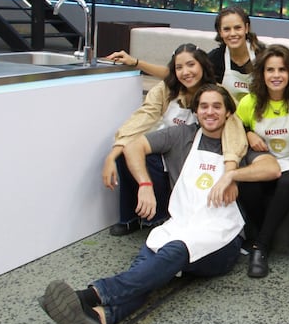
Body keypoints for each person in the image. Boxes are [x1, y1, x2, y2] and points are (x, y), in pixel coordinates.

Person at [40, 85, 281, 324]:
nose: (210, 112)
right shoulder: (182, 136)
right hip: (179, 225)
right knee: (148, 269)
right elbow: (134, 147)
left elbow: (271, 168)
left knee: (172, 252)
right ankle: (99, 317)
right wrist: (145, 185)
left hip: (221, 238)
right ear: (196, 111)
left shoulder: (238, 143)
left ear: (227, 112)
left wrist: (232, 175)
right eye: (204, 106)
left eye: (216, 106)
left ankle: (88, 295)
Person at [102, 44, 246, 236]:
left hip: (196, 153)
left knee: (152, 162)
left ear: (202, 65)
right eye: (179, 68)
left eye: (191, 65)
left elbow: (234, 129)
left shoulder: (216, 93)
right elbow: (142, 118)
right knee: (126, 154)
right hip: (164, 143)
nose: (186, 72)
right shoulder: (164, 90)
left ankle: (161, 216)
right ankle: (131, 217)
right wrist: (112, 154)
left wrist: (231, 172)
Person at [234, 45, 289, 278]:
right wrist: (248, 132)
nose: (276, 75)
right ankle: (265, 236)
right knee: (248, 185)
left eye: (282, 69)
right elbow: (234, 126)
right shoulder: (249, 102)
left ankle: (260, 246)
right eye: (270, 70)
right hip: (262, 163)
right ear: (261, 73)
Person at [106, 6, 264, 103]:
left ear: (247, 28)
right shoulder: (216, 58)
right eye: (227, 29)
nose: (233, 34)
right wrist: (135, 62)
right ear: (220, 32)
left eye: (237, 28)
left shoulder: (262, 55)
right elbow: (176, 74)